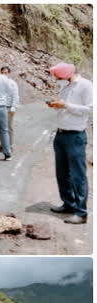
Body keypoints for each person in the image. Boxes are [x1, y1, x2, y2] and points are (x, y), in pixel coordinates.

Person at [47, 62, 93, 225]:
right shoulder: (65, 87)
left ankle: (81, 213)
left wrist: (66, 105)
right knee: (62, 173)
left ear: (67, 75)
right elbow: (66, 108)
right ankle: (69, 204)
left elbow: (91, 109)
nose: (57, 80)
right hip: (61, 134)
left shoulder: (87, 86)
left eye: (58, 77)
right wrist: (57, 105)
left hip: (75, 136)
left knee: (78, 175)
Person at [0, 66, 20, 152]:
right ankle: (3, 143)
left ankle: (10, 145)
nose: (4, 74)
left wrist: (13, 107)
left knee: (8, 127)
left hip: (8, 108)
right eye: (2, 72)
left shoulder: (12, 83)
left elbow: (15, 96)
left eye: (5, 72)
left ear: (9, 73)